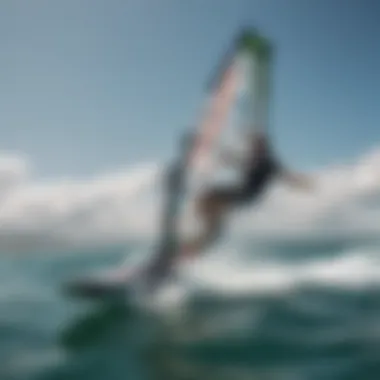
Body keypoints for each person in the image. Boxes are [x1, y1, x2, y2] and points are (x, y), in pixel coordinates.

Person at [179, 131, 314, 258]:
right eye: (254, 145)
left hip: (247, 195)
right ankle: (198, 243)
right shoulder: (252, 159)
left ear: (264, 147)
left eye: (257, 145)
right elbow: (235, 160)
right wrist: (222, 154)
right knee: (211, 207)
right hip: (239, 192)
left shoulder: (269, 163)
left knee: (210, 198)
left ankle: (202, 235)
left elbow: (286, 176)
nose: (254, 148)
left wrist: (302, 184)